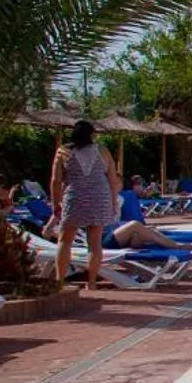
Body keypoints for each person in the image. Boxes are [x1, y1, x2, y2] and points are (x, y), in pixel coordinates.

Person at [49, 119, 118, 289]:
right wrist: (113, 201)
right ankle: (92, 282)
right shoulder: (103, 151)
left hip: (75, 196)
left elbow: (55, 180)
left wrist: (55, 203)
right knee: (94, 243)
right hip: (99, 197)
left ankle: (60, 280)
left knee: (65, 240)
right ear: (92, 134)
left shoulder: (63, 152)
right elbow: (113, 180)